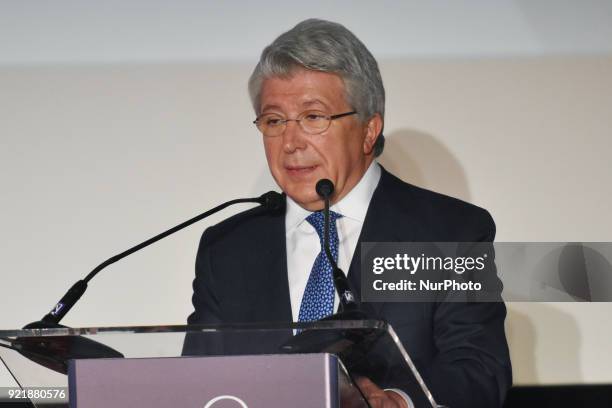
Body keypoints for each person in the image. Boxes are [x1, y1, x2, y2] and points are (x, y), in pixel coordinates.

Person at [184, 19, 512, 408]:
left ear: (369, 131)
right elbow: (197, 382)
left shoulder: (446, 233)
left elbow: (479, 368)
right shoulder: (228, 249)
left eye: (313, 117)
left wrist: (399, 401)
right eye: (274, 121)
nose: (290, 143)